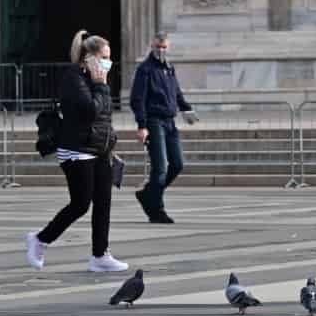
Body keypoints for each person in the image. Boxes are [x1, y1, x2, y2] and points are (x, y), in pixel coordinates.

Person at [26, 30, 128, 273]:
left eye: (109, 57)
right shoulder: (74, 78)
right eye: (103, 57)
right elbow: (90, 110)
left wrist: (110, 142)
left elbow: (104, 116)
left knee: (103, 203)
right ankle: (41, 239)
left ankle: (100, 255)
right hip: (77, 149)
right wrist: (101, 85)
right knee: (81, 203)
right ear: (88, 57)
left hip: (100, 148)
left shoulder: (95, 80)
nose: (107, 62)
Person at [131, 32, 196, 224]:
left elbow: (175, 92)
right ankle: (156, 210)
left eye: (164, 47)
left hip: (170, 121)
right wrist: (142, 125)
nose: (161, 50)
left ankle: (148, 194)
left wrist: (186, 108)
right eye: (158, 47)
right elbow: (137, 99)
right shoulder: (145, 69)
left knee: (177, 164)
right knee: (160, 168)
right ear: (152, 46)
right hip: (153, 121)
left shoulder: (169, 68)